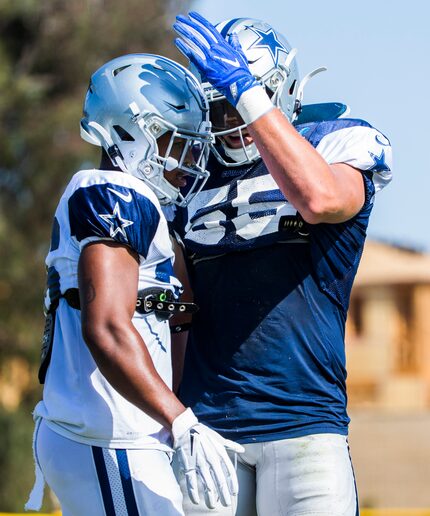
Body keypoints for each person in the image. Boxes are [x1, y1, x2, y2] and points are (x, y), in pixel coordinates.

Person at [172, 13, 393, 516]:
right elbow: (180, 311)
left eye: (240, 103)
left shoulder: (336, 141)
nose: (233, 120)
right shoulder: (188, 176)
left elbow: (319, 198)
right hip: (207, 426)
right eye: (221, 108)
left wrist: (248, 95)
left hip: (305, 423)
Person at [25, 53, 243, 516]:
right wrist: (180, 420)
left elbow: (168, 317)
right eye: (173, 142)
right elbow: (105, 326)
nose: (187, 161)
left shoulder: (141, 204)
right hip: (109, 437)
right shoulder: (113, 190)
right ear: (129, 129)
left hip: (121, 434)